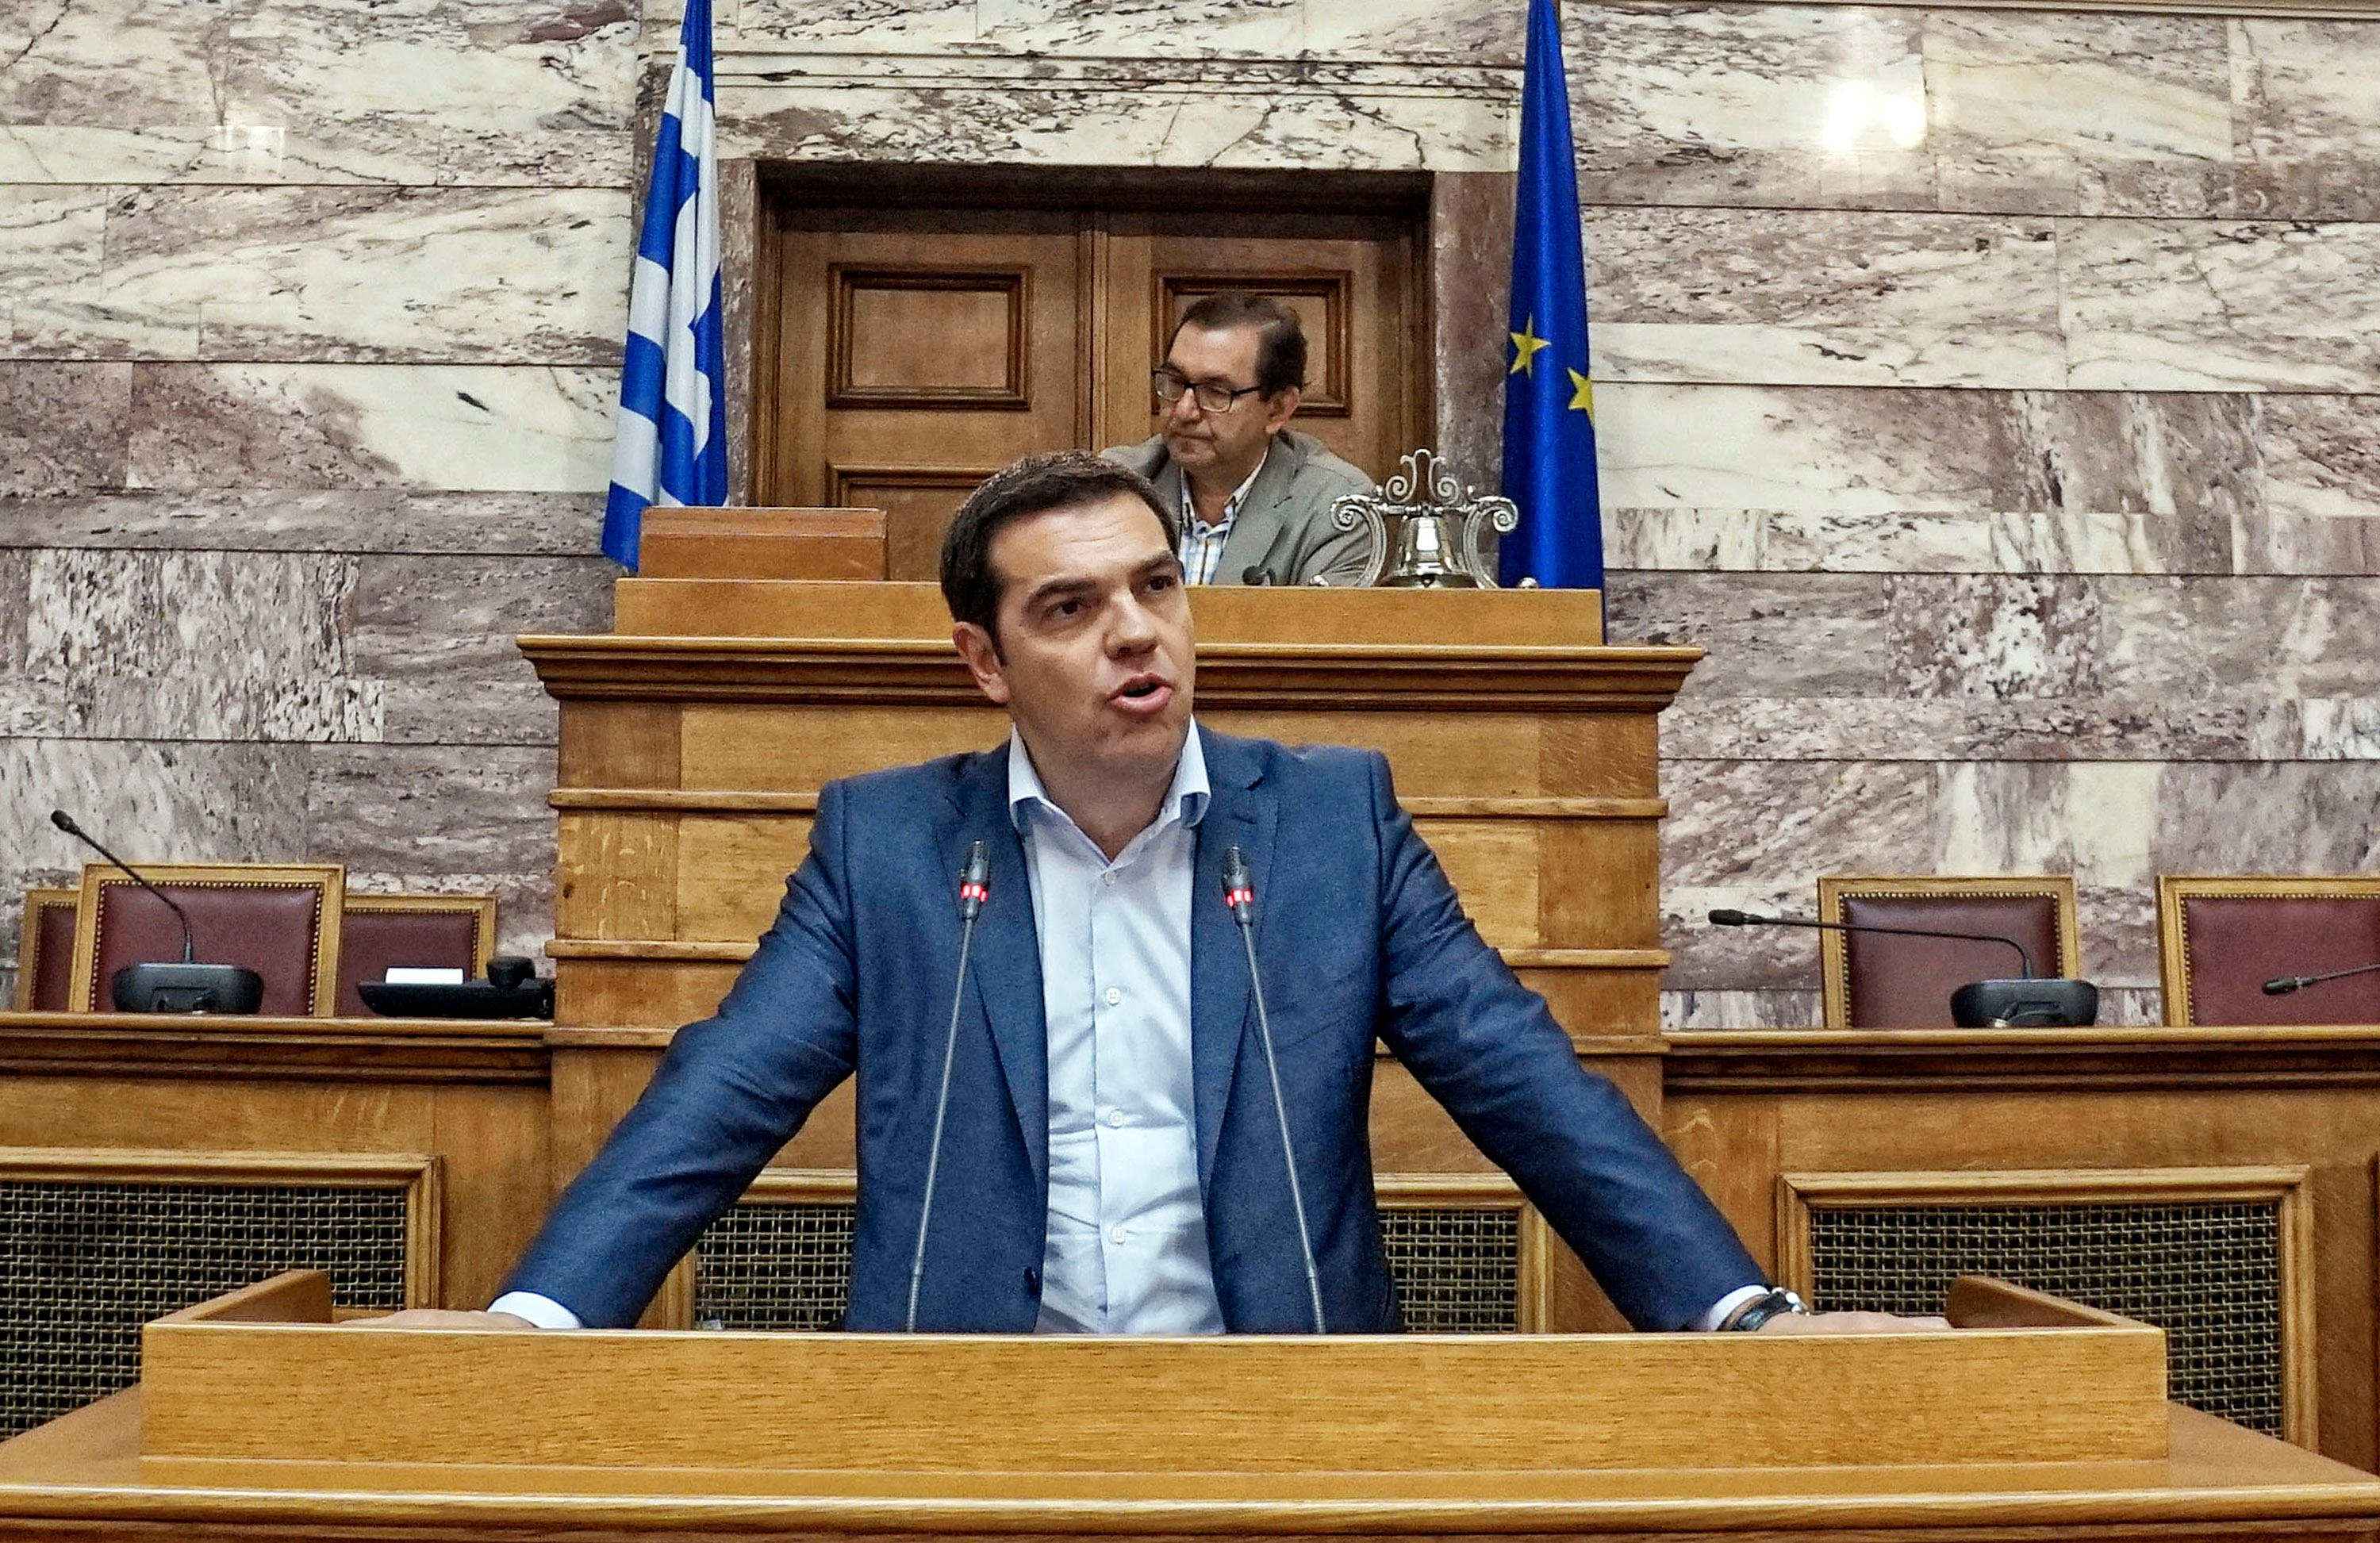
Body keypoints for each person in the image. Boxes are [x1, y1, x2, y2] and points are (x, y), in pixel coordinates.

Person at [363, 452, 1933, 1338]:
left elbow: (1531, 1085)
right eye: (1070, 607)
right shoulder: (889, 846)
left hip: (1282, 1412)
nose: (1134, 632)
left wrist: (1740, 1313)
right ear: (986, 661)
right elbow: (717, 1101)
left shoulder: (1330, 826)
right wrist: (533, 1324)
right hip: (963, 1418)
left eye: (1155, 586)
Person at [1103, 291, 1374, 588]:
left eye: (1217, 392)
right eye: (1176, 383)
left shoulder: (1338, 507)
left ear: (1278, 409)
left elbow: (1324, 620)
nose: (1183, 410)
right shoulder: (1111, 487)